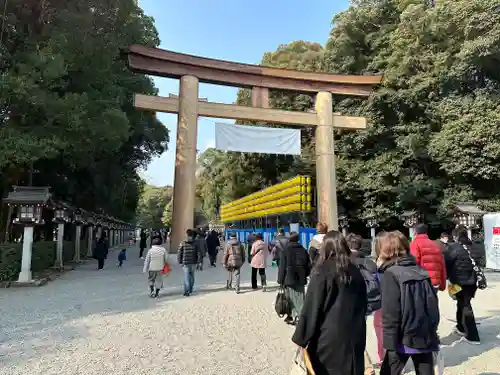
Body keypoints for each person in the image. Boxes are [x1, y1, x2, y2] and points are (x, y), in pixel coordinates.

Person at [292, 231, 367, 375]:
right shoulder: (355, 271)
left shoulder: (322, 271)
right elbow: (363, 304)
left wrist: (301, 337)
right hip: (355, 332)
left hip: (329, 335)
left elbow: (312, 307)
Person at [377, 231, 440, 375]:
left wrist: (389, 343)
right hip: (424, 333)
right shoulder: (421, 270)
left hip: (402, 337)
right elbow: (433, 303)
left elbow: (391, 311)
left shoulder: (391, 273)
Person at [347, 233, 381, 375]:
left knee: (351, 335)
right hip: (369, 302)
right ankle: (365, 364)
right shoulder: (370, 263)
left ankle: (365, 365)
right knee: (360, 333)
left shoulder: (345, 262)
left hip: (350, 303)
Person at [443, 226, 481, 344]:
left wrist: (446, 277)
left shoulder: (454, 248)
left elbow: (447, 263)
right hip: (473, 281)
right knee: (462, 302)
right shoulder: (474, 246)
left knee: (465, 305)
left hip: (458, 282)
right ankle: (461, 327)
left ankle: (473, 336)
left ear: (456, 236)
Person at [277, 231, 310, 325]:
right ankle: (300, 316)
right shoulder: (303, 249)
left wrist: (280, 280)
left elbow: (282, 266)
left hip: (289, 277)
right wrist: (305, 274)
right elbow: (308, 265)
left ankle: (293, 316)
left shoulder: (286, 250)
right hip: (300, 277)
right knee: (300, 296)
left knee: (290, 297)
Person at [410, 224, 447, 292]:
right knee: (433, 301)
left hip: (422, 281)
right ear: (426, 232)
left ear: (415, 232)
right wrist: (443, 285)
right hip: (435, 282)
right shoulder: (435, 245)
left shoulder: (415, 244)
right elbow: (442, 265)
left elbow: (414, 263)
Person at [178, 229, 202, 297]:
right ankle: (190, 288)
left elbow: (179, 252)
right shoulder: (196, 243)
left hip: (185, 262)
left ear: (186, 234)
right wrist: (199, 262)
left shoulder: (182, 242)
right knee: (192, 275)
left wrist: (179, 261)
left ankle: (186, 291)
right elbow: (199, 253)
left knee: (186, 276)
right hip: (193, 262)